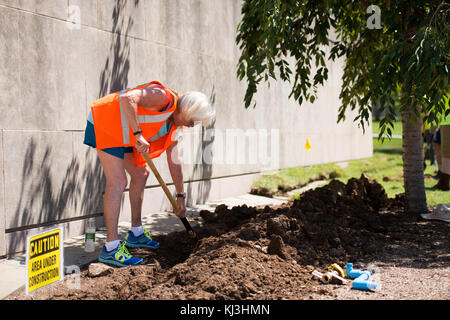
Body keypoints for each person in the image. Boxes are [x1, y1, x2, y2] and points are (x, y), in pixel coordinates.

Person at [83, 81, 215, 267]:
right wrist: (138, 134)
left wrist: (180, 197)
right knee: (118, 181)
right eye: (194, 121)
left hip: (124, 133)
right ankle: (111, 248)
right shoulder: (163, 96)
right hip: (105, 121)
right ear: (187, 112)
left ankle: (136, 233)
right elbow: (128, 98)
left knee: (141, 174)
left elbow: (175, 162)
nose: (194, 125)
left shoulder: (175, 126)